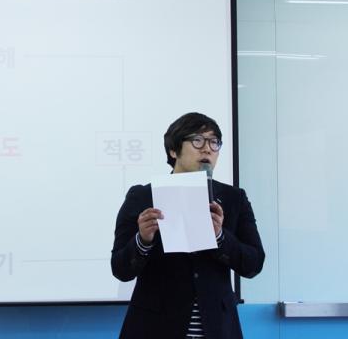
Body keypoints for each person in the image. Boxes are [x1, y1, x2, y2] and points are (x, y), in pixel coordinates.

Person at [111, 112, 265, 339]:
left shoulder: (233, 198)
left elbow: (254, 263)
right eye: (197, 140)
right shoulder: (143, 197)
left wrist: (220, 236)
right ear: (173, 150)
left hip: (218, 328)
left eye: (214, 142)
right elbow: (120, 269)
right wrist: (142, 241)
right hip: (155, 328)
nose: (207, 149)